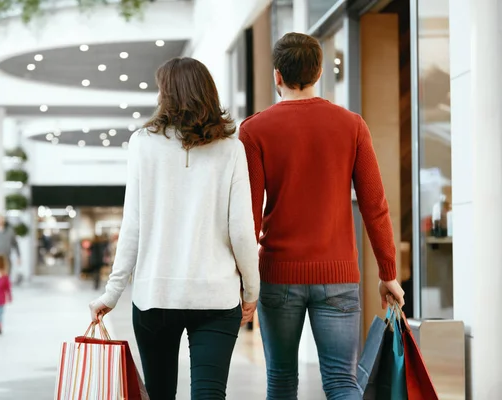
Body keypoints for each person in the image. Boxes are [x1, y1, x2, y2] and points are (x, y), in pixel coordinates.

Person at [238, 32, 405, 400]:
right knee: (342, 383)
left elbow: (247, 218)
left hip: (279, 277)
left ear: (277, 76)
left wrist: (245, 282)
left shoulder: (254, 130)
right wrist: (388, 273)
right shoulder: (352, 125)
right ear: (318, 75)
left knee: (280, 381)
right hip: (339, 276)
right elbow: (375, 206)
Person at [88, 57, 260, 400]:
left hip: (156, 296)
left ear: (167, 95)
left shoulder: (143, 143)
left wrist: (112, 293)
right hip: (216, 295)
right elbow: (242, 229)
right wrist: (252, 290)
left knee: (160, 392)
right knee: (210, 394)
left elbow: (132, 225)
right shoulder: (231, 149)